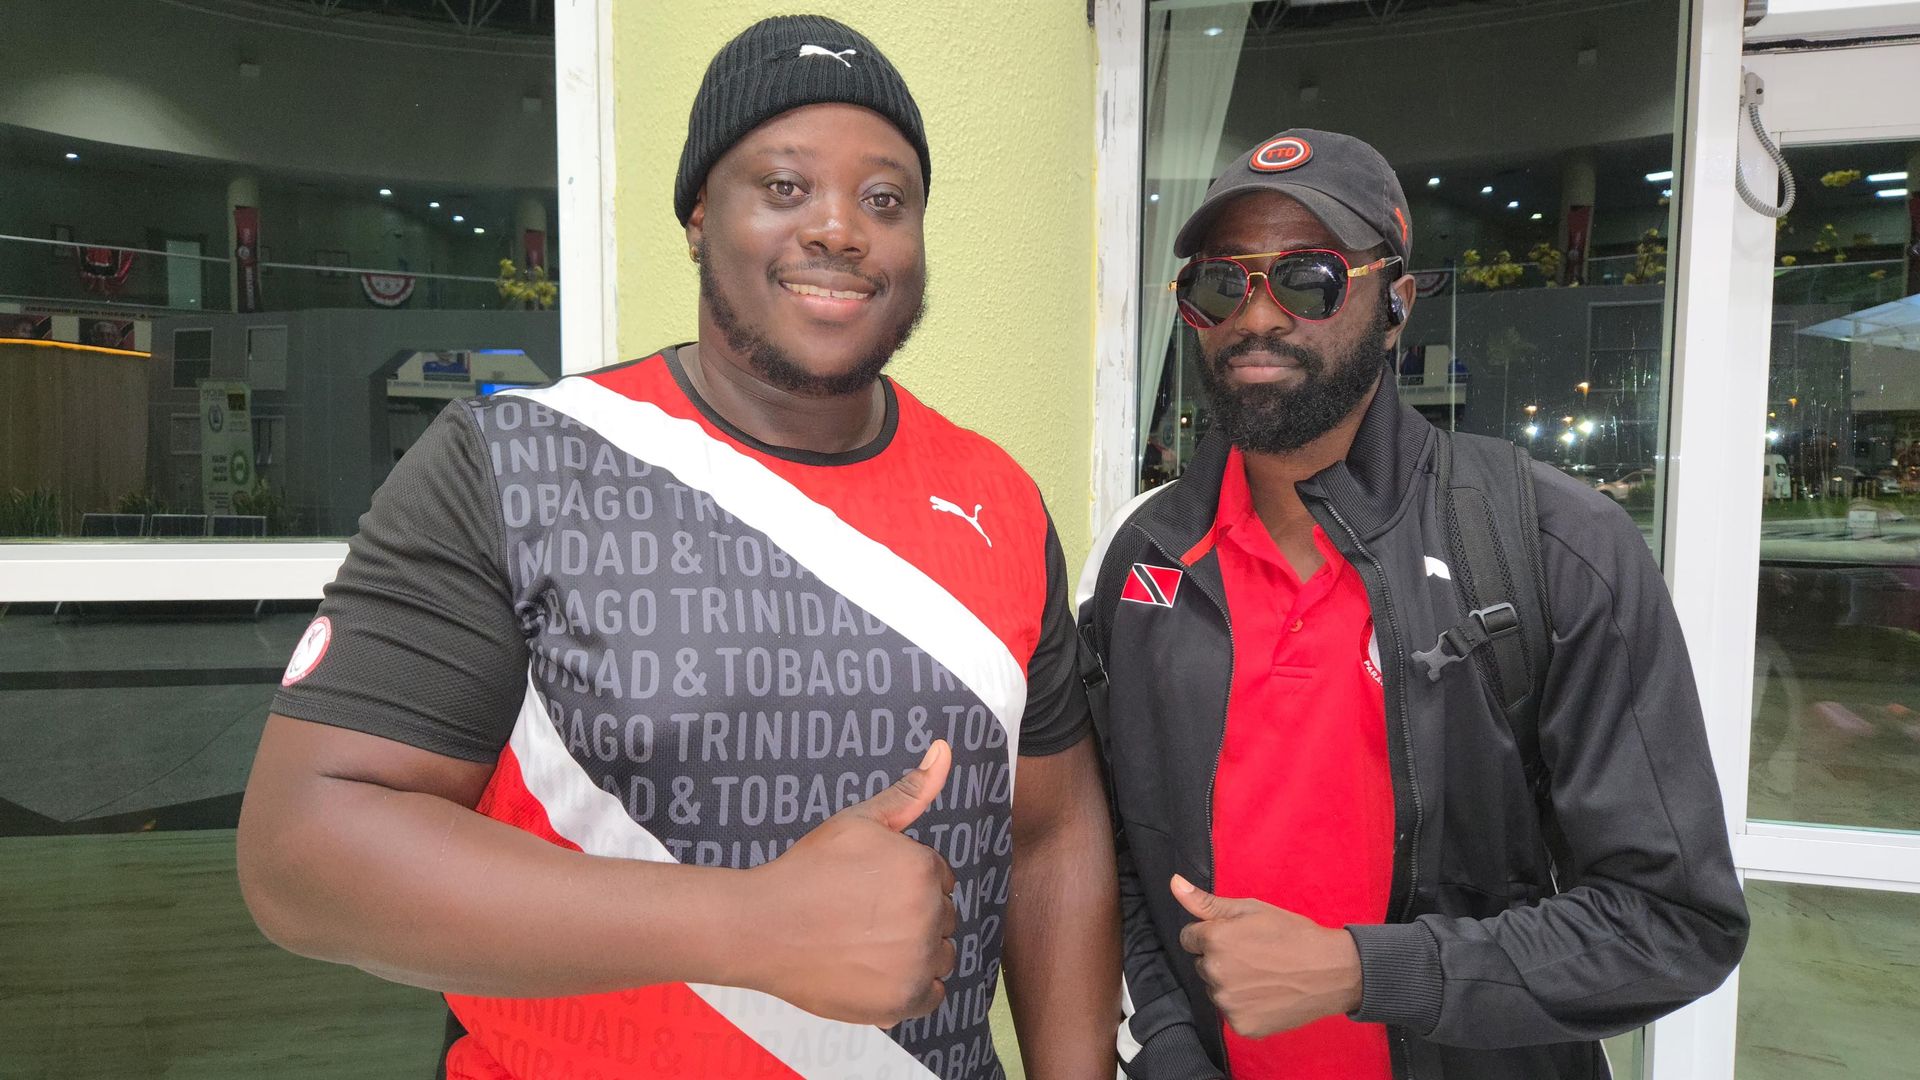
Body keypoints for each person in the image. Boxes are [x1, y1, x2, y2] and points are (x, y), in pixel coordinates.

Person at [237, 16, 1118, 1080]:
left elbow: (1052, 833)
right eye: (786, 188)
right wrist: (749, 926)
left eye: (885, 199)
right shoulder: (517, 463)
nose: (840, 228)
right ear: (700, 214)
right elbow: (303, 851)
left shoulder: (1000, 500)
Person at [1077, 128, 1747, 1079]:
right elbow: (1116, 861)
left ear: (1395, 303)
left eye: (1308, 278)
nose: (1256, 316)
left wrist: (1364, 971)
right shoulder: (1143, 559)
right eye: (1222, 283)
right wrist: (1174, 1050)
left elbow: (1673, 920)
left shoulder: (1553, 546)